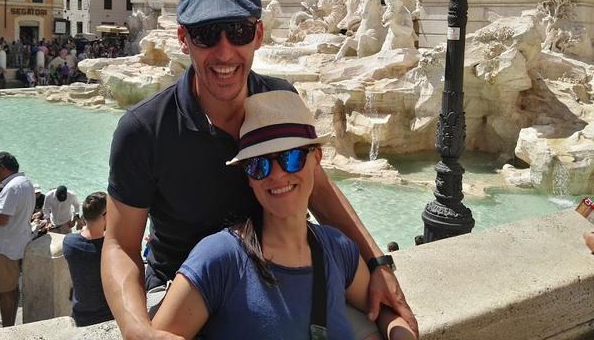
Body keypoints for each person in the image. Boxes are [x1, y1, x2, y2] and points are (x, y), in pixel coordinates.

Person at [103, 0, 418, 340]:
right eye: (206, 35)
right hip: (181, 287)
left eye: (237, 31)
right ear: (184, 40)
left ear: (258, 35)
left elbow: (318, 189)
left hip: (277, 272)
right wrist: (137, 330)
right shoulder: (143, 130)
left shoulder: (279, 100)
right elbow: (120, 245)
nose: (224, 52)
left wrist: (378, 264)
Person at [154, 91, 415, 340]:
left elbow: (385, 313)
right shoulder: (220, 257)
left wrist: (399, 332)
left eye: (291, 158)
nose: (277, 175)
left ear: (317, 158)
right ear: (249, 177)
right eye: (259, 164)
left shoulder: (338, 249)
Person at [0, 152, 35, 327]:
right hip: (18, 243)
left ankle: (7, 329)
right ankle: (10, 325)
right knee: (13, 288)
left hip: (4, 248)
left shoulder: (11, 188)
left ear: (3, 168)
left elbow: (2, 219)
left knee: (4, 292)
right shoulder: (26, 183)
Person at [62, 191, 113, 327]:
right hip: (107, 316)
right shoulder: (111, 248)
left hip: (80, 314)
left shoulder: (69, 243)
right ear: (105, 216)